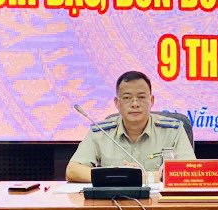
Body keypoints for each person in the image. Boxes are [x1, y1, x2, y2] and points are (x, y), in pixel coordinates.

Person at [65, 71, 195, 183]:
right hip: (113, 201)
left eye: (141, 97)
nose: (135, 104)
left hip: (159, 203)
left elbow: (190, 171)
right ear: (117, 103)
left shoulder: (173, 131)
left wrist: (142, 177)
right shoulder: (101, 132)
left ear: (151, 101)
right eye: (127, 98)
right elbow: (72, 171)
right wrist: (118, 176)